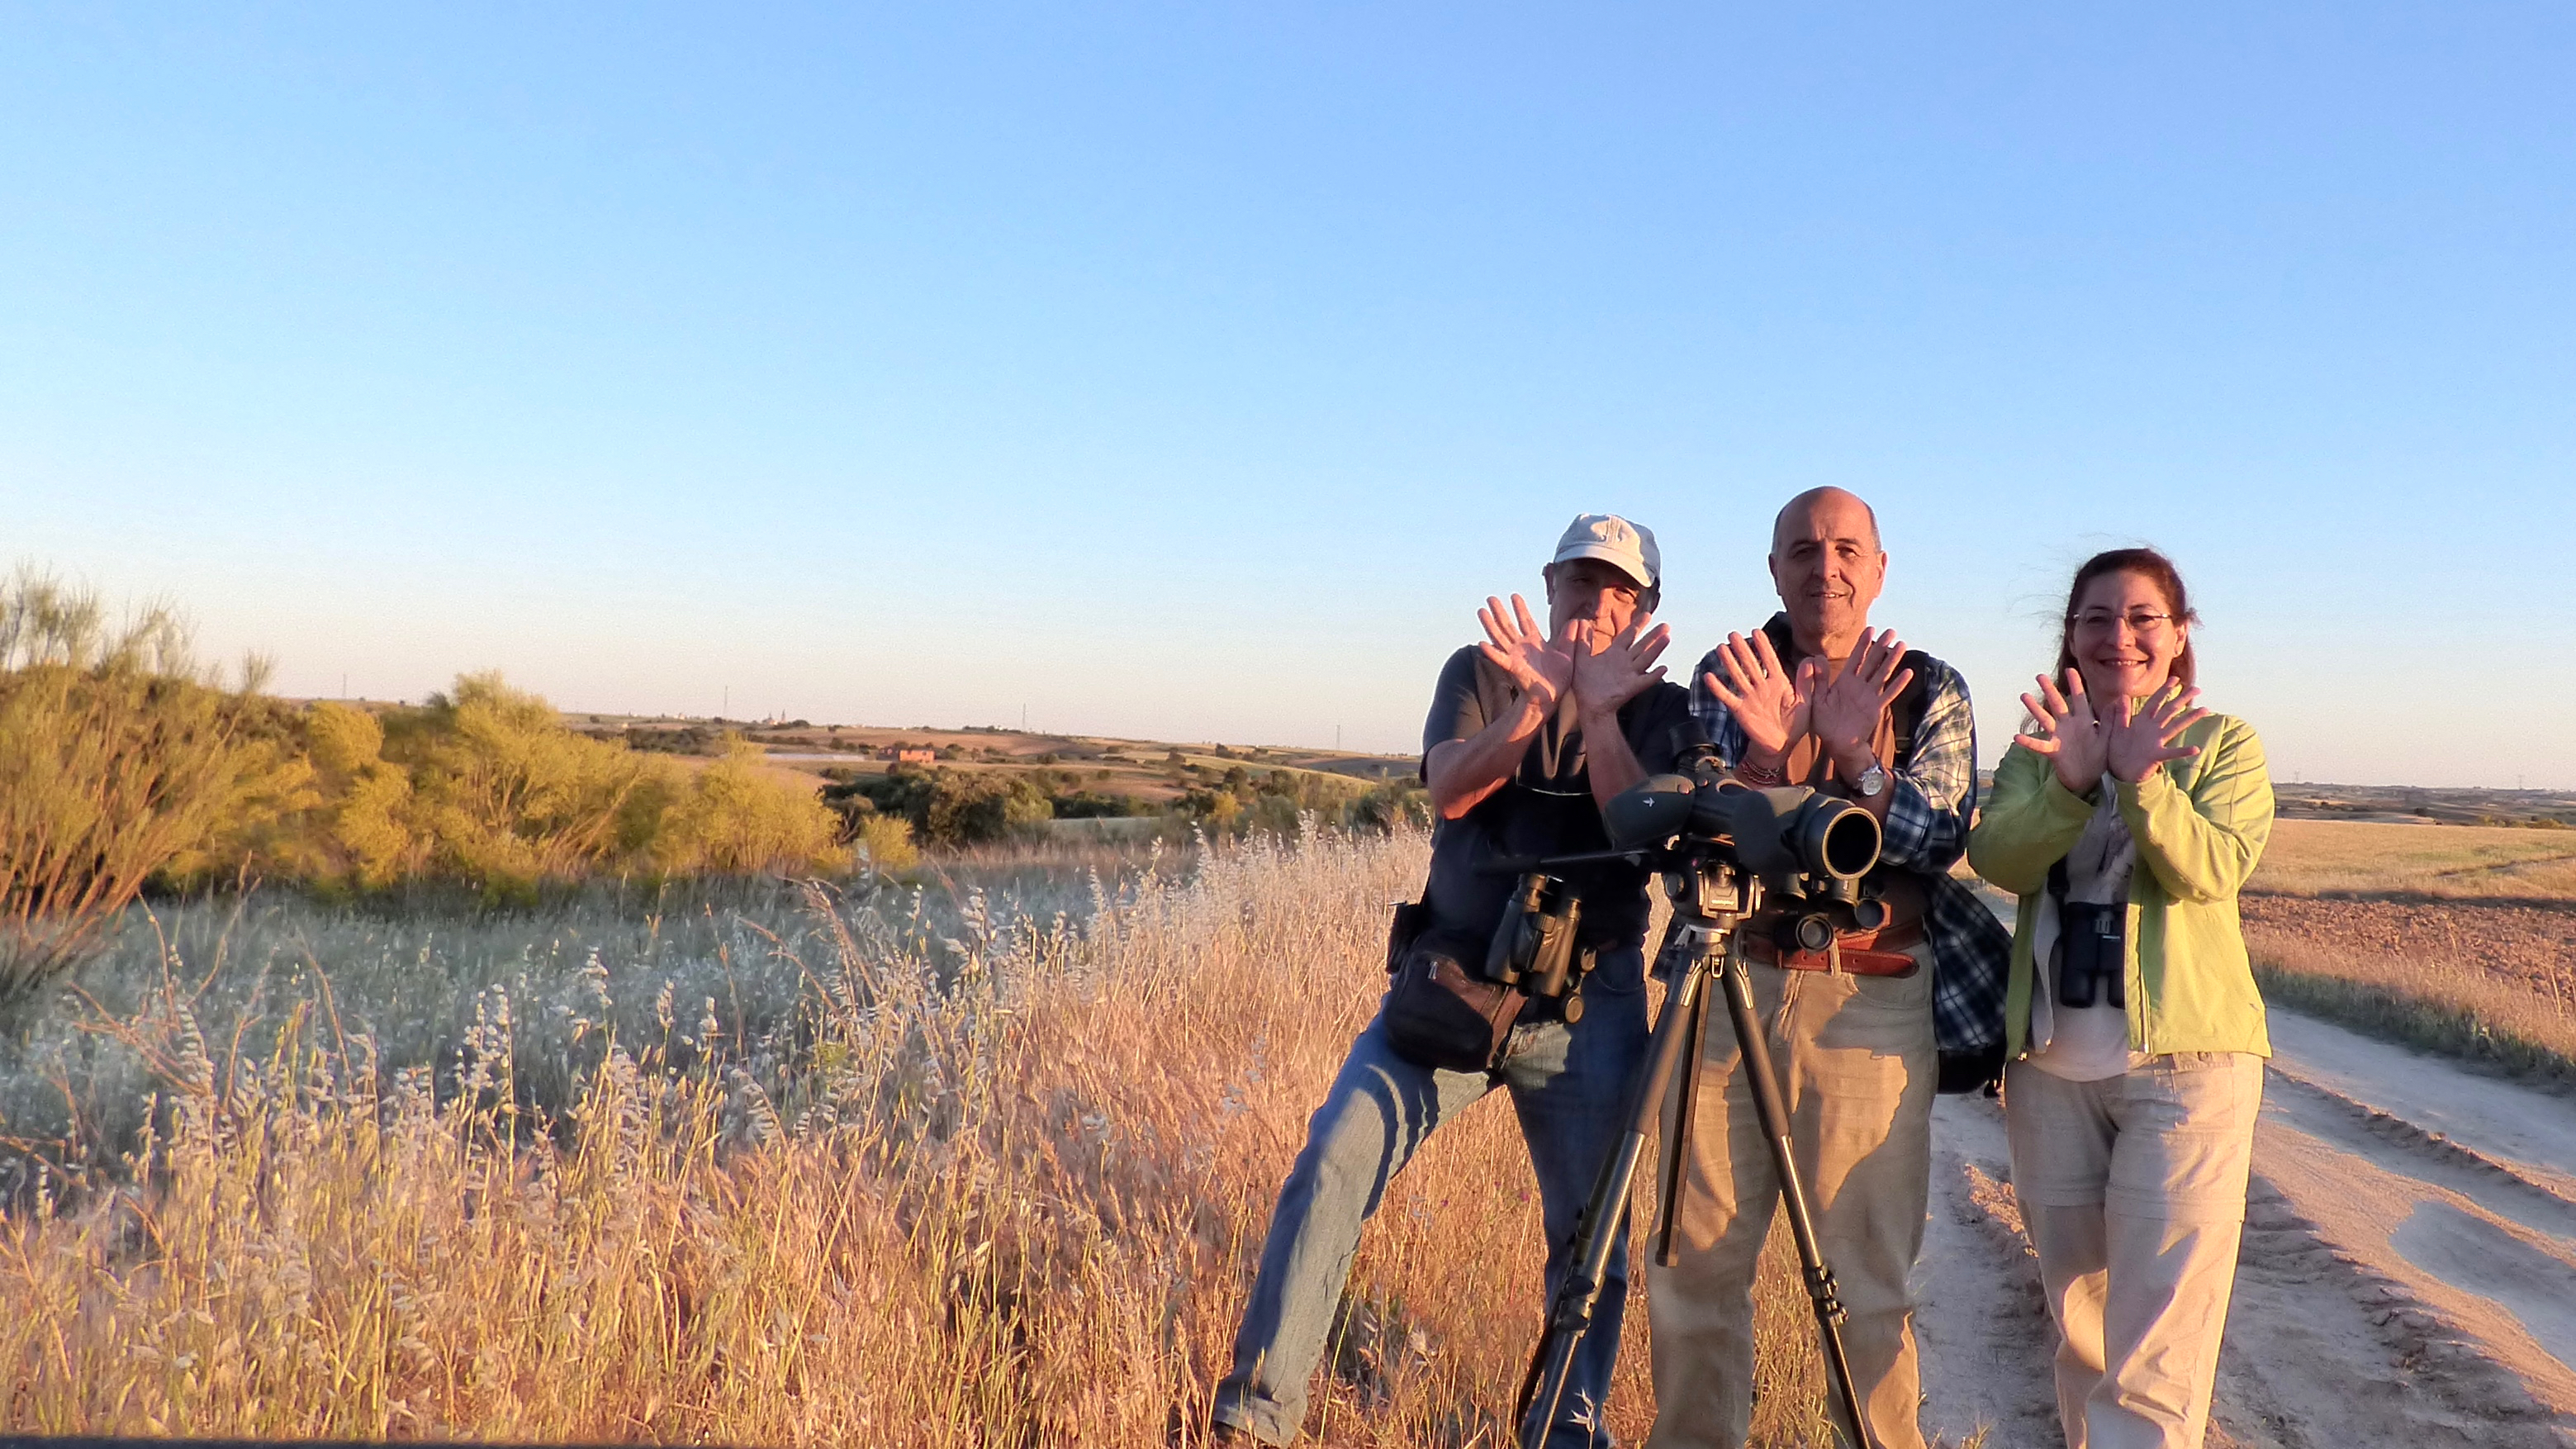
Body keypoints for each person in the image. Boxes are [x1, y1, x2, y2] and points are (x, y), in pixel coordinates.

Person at [1212, 514, 1701, 1448]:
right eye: (1579, 582)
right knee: (1332, 1158)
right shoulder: (1479, 670)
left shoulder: (1659, 708)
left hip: (1586, 1000)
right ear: (1548, 585)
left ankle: (1566, 1431)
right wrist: (1530, 705)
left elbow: (1640, 832)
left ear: (1643, 608)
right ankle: (1253, 1420)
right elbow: (1451, 791)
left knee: (1590, 1236)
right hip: (1452, 981)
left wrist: (1596, 710)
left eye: (1619, 591)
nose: (1595, 604)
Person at [1647, 487, 2009, 1449]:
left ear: (1880, 568)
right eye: (1802, 549)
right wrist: (1769, 759)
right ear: (1773, 569)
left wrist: (1855, 753)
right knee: (1691, 1265)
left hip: (1872, 992)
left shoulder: (1929, 687)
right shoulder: (1725, 675)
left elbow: (1935, 839)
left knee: (1865, 1281)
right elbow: (1696, 827)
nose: (1826, 566)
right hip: (1726, 983)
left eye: (1847, 548)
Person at [1966, 548, 2272, 1449]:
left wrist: (2141, 778)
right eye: (2095, 617)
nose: (2118, 636)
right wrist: (2067, 780)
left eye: (2142, 618)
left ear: (2178, 636)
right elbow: (1999, 859)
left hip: (2184, 1069)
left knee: (2157, 1345)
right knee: (2082, 1325)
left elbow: (2209, 867)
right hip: (2051, 1071)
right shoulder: (2040, 742)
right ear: (2069, 635)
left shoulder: (2222, 743)